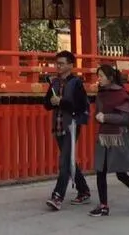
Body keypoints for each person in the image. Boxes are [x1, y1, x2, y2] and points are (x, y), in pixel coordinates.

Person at [89, 64, 129, 217]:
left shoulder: (121, 94)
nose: (99, 79)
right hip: (104, 135)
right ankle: (103, 205)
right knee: (100, 171)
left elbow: (125, 118)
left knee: (120, 173)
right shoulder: (101, 93)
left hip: (118, 137)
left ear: (110, 78)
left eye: (101, 76)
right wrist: (98, 116)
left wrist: (105, 117)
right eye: (98, 76)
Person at [43, 50, 91, 209]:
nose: (58, 66)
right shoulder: (54, 82)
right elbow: (46, 104)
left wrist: (61, 102)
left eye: (62, 63)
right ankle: (83, 190)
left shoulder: (76, 83)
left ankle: (57, 196)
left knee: (64, 162)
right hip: (58, 125)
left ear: (70, 65)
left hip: (71, 126)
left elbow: (81, 106)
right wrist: (52, 101)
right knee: (69, 160)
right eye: (57, 63)